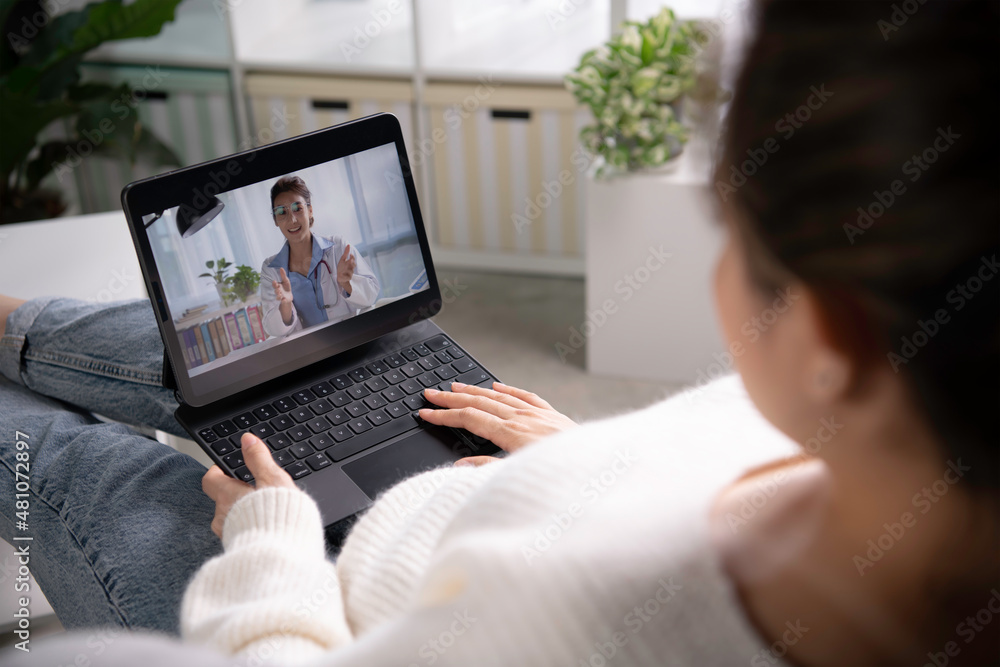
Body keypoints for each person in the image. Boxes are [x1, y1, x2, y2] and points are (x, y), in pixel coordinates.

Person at [2, 1, 998, 665]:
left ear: (831, 339)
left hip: (319, 591)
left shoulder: (582, 631)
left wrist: (270, 552)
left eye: (731, 230)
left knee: (78, 459)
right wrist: (586, 457)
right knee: (207, 360)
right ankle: (14, 321)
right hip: (466, 479)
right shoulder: (869, 431)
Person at [259, 175, 379, 339]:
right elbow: (273, 330)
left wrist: (347, 283)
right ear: (275, 220)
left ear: (310, 210)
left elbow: (371, 295)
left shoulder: (338, 246)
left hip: (351, 338)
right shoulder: (270, 269)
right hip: (310, 352)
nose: (292, 219)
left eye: (298, 208)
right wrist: (285, 306)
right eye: (281, 212)